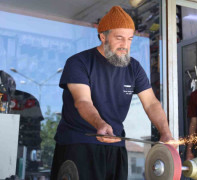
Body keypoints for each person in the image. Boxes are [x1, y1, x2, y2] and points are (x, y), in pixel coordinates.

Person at [50, 6, 174, 180]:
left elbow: (151, 103)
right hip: (79, 143)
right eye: (119, 38)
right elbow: (83, 101)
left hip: (115, 144)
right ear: (103, 37)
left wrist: (165, 132)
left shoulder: (134, 67)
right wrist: (100, 124)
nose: (125, 45)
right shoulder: (79, 62)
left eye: (130, 39)